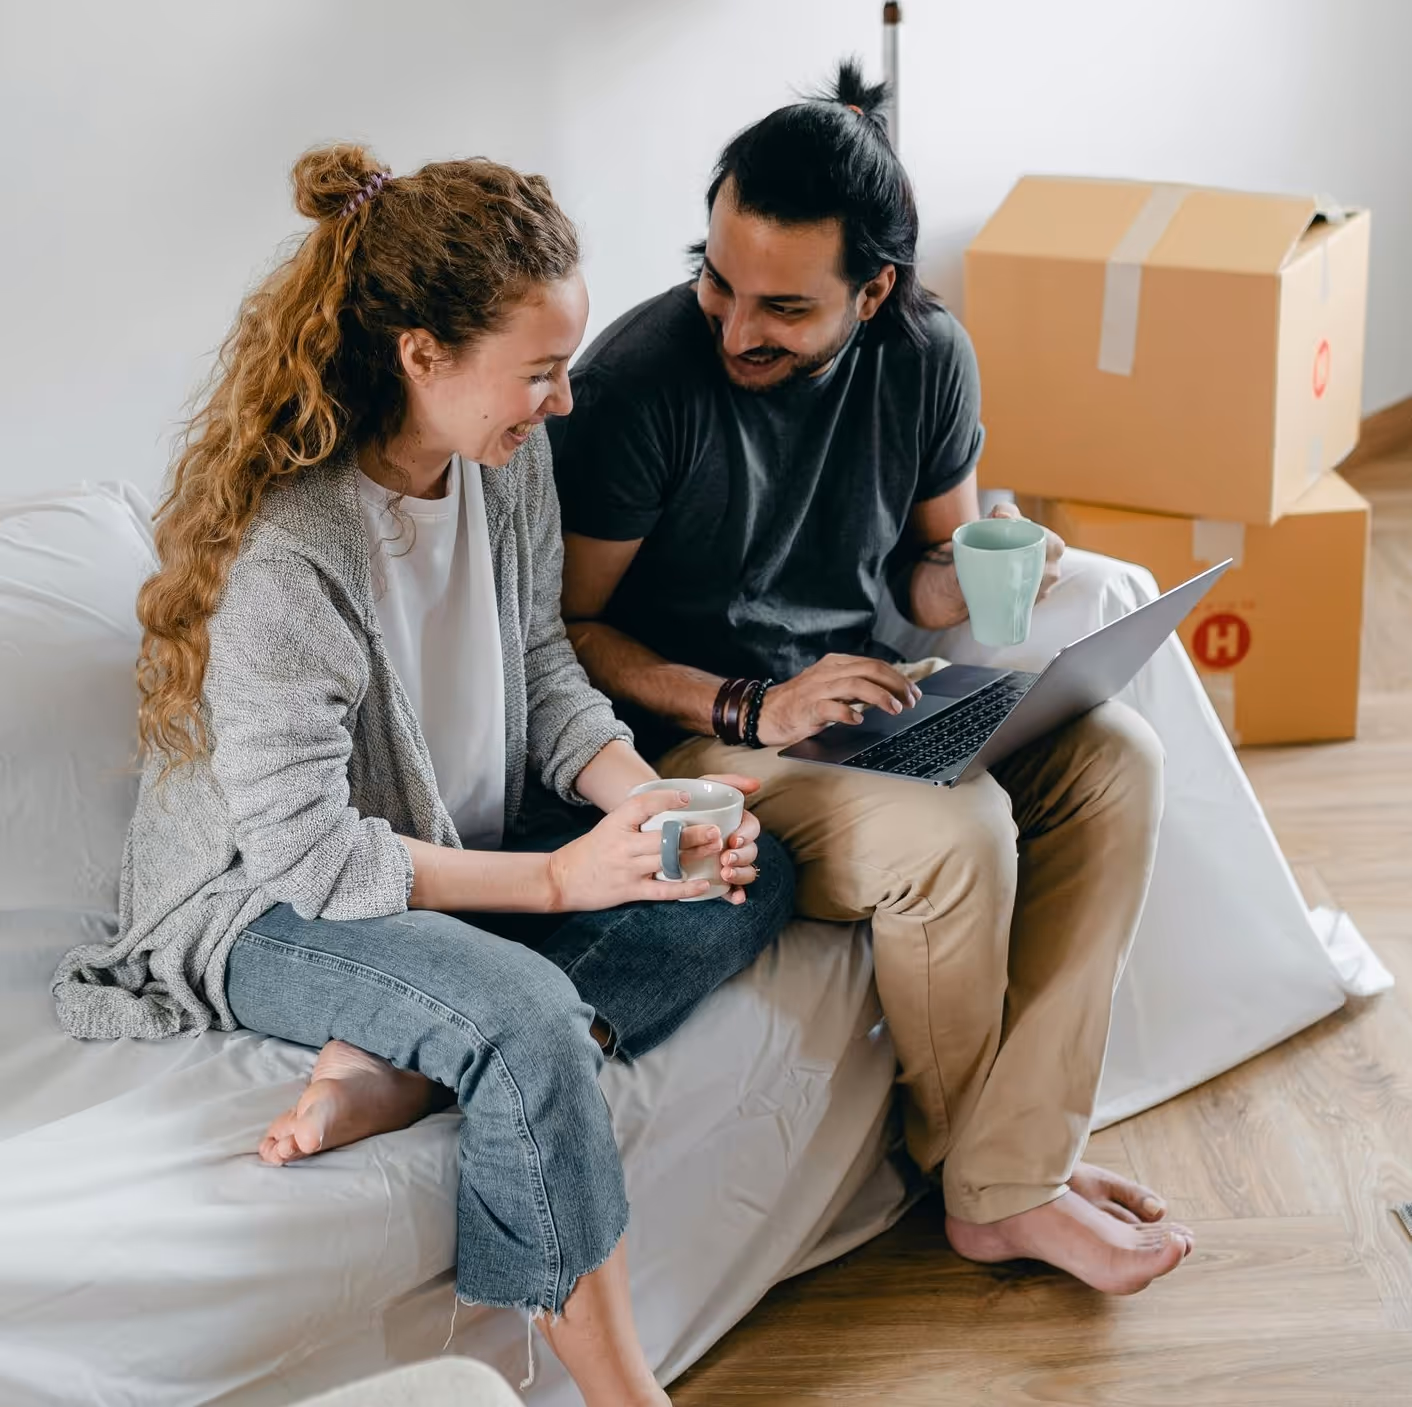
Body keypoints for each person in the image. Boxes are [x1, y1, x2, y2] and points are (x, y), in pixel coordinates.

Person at [51, 145, 795, 1407]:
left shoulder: (502, 464)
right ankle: (621, 1389)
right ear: (422, 356)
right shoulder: (287, 554)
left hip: (439, 847)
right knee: (528, 1017)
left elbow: (544, 665)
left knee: (741, 869)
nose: (564, 401)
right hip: (265, 904)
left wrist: (641, 802)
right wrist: (559, 883)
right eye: (540, 371)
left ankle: (402, 1060)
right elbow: (309, 856)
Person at [549, 61, 1194, 1297]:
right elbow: (568, 631)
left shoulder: (927, 356)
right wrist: (754, 705)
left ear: (874, 289)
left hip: (857, 704)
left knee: (1118, 760)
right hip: (691, 736)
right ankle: (995, 1187)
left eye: (783, 308)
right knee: (957, 838)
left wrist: (1001, 565)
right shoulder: (639, 385)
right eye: (716, 279)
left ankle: (1020, 1164)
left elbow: (924, 574)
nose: (734, 328)